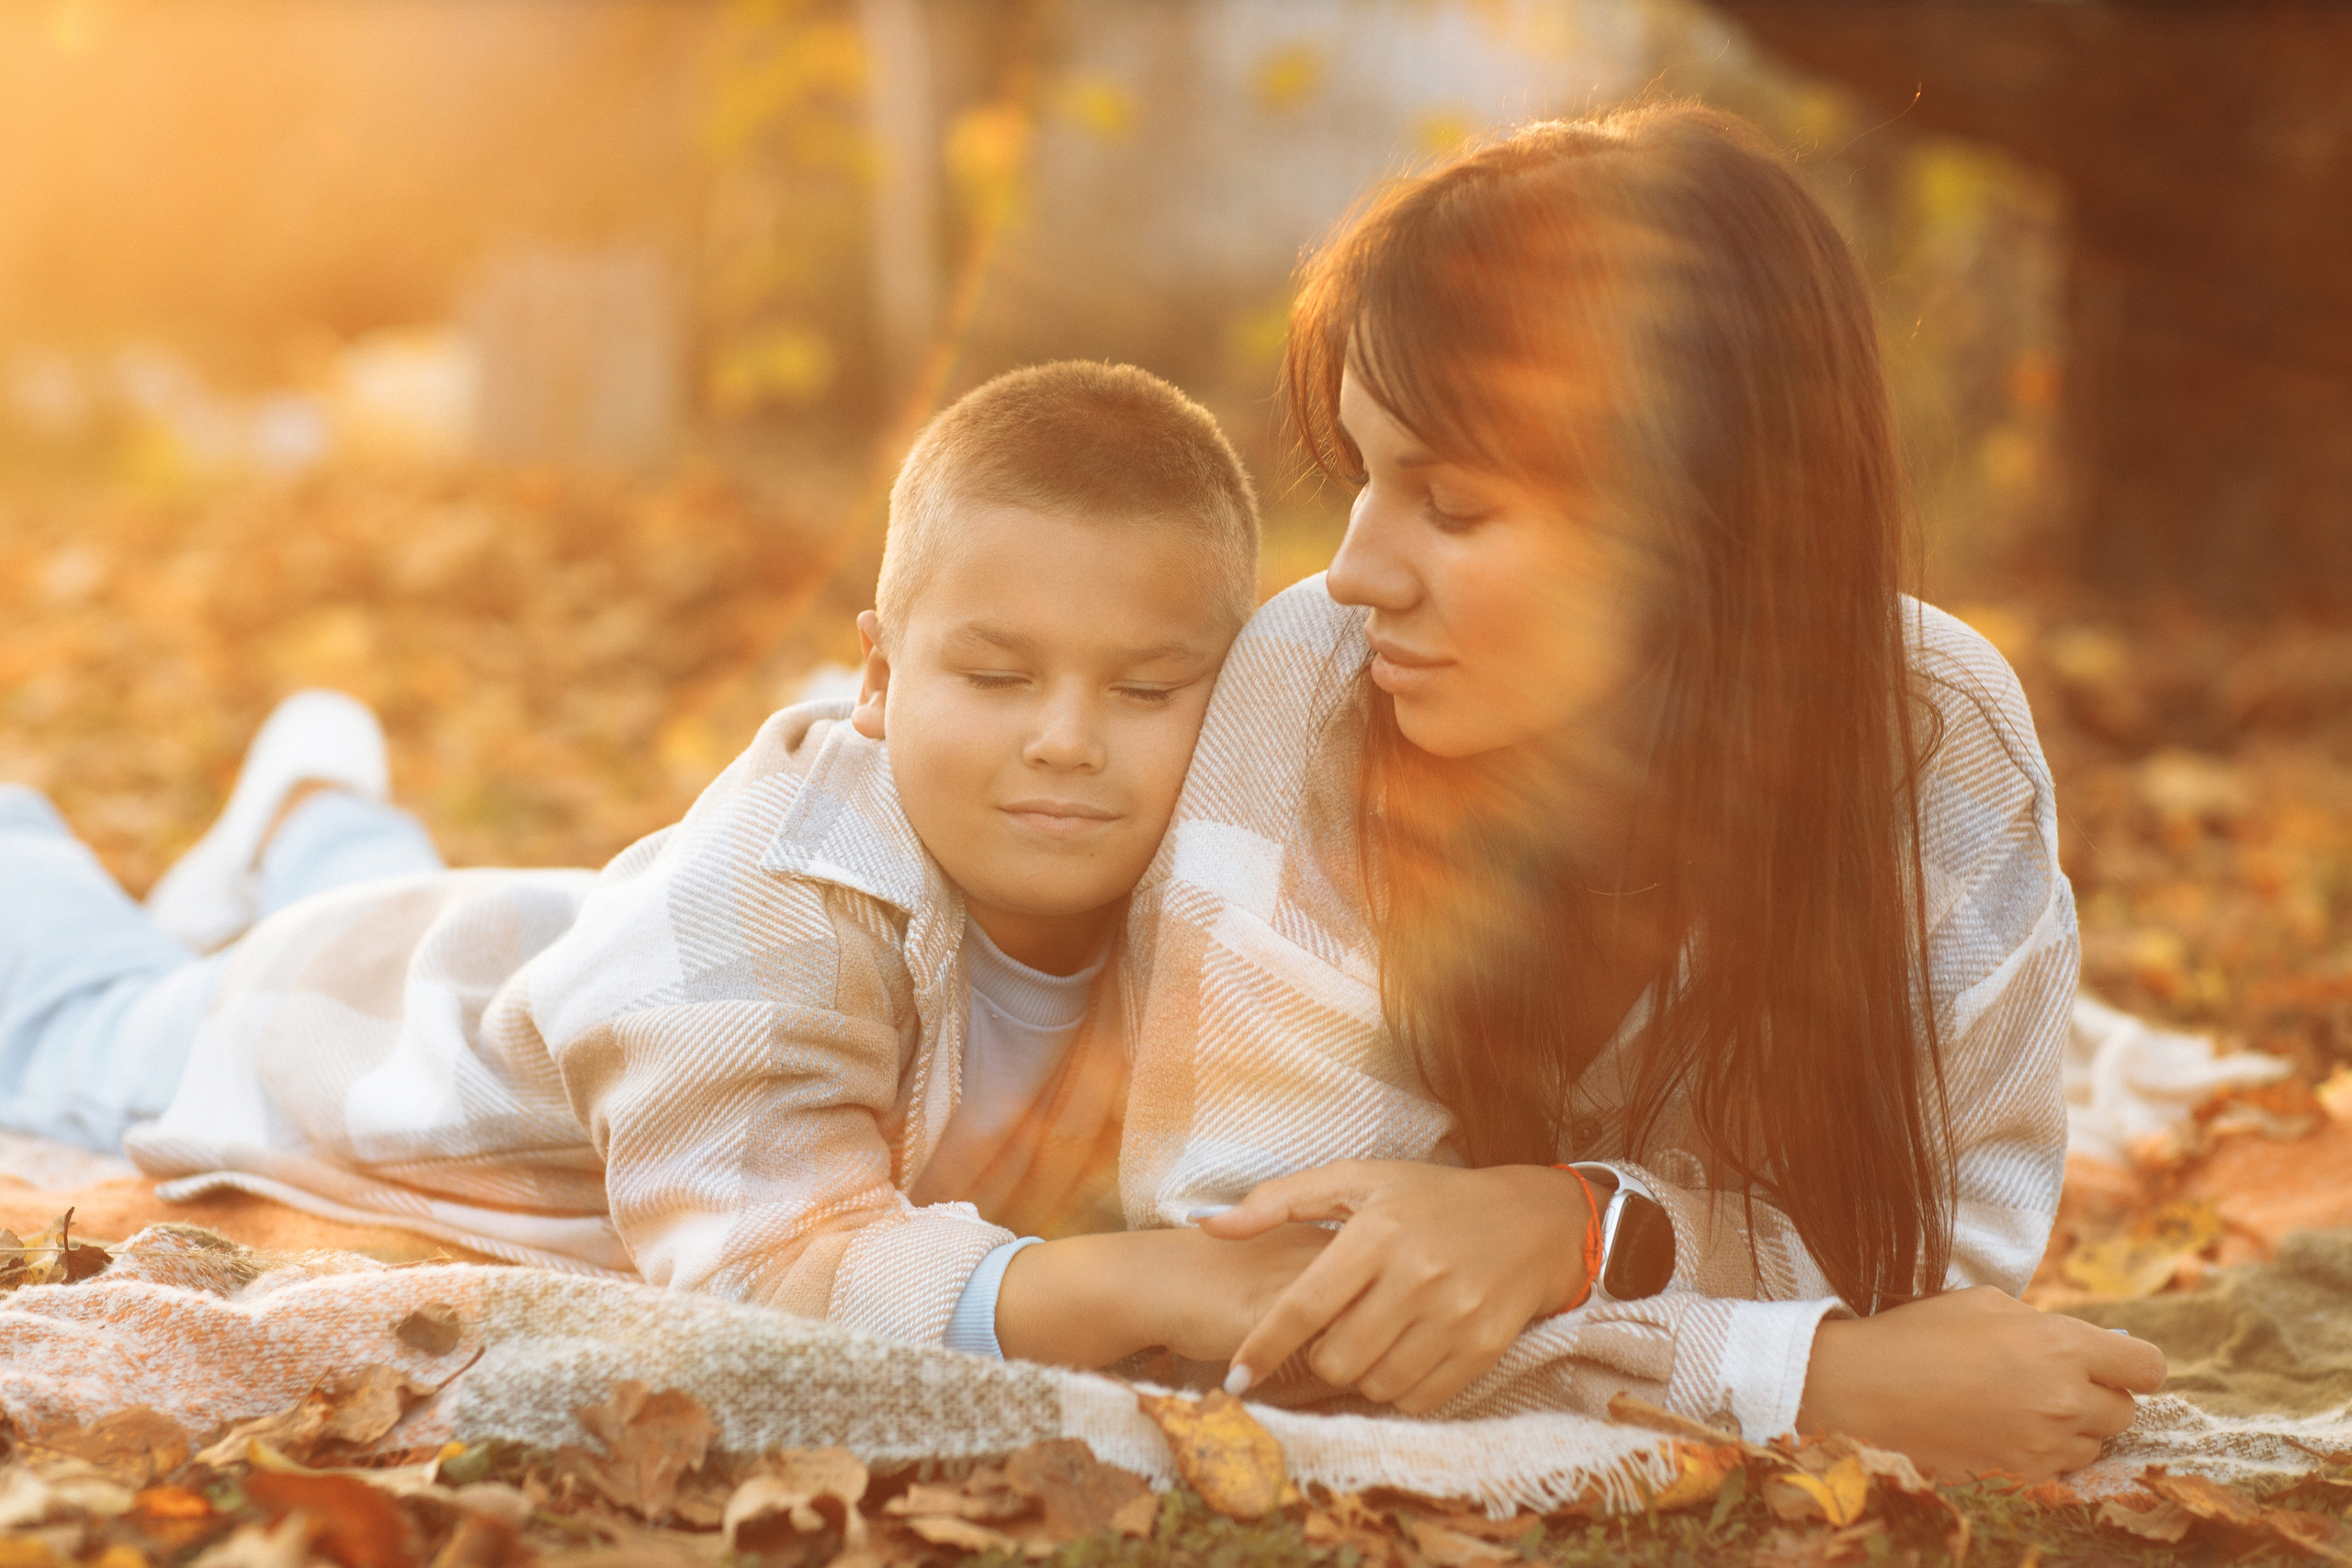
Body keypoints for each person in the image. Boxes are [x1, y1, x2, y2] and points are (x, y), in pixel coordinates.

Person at [999, 105, 2164, 1483]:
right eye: (1365, 475)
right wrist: (1807, 1376)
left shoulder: (1936, 739)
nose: (1359, 567)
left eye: (1451, 506)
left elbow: (1926, 1271)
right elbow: (1272, 1309)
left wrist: (1572, 1229)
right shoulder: (1307, 694)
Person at [1, 359, 1314, 1356]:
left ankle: (311, 806)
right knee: (74, 1013)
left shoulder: (1213, 882)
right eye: (995, 674)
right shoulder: (776, 901)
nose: (1068, 740)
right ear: (877, 675)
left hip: (552, 949)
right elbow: (772, 1269)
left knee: (382, 903)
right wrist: (1152, 1288)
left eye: (1146, 691)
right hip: (329, 1023)